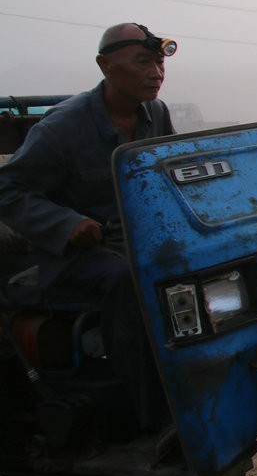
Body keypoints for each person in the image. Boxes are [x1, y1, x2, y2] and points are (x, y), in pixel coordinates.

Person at [0, 22, 177, 431]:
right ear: (106, 66)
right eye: (143, 62)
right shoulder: (62, 127)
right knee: (126, 281)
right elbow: (8, 189)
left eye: (158, 63)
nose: (156, 73)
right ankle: (154, 415)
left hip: (134, 242)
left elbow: (170, 173)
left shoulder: (156, 113)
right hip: (76, 258)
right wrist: (67, 222)